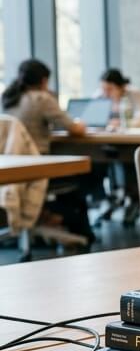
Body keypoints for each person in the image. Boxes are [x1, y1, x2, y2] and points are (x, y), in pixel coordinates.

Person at [1, 59, 93, 241]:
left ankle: (46, 216)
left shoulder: (8, 98)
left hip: (11, 166)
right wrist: (81, 124)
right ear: (44, 80)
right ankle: (82, 233)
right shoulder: (42, 98)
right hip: (37, 167)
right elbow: (75, 129)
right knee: (87, 176)